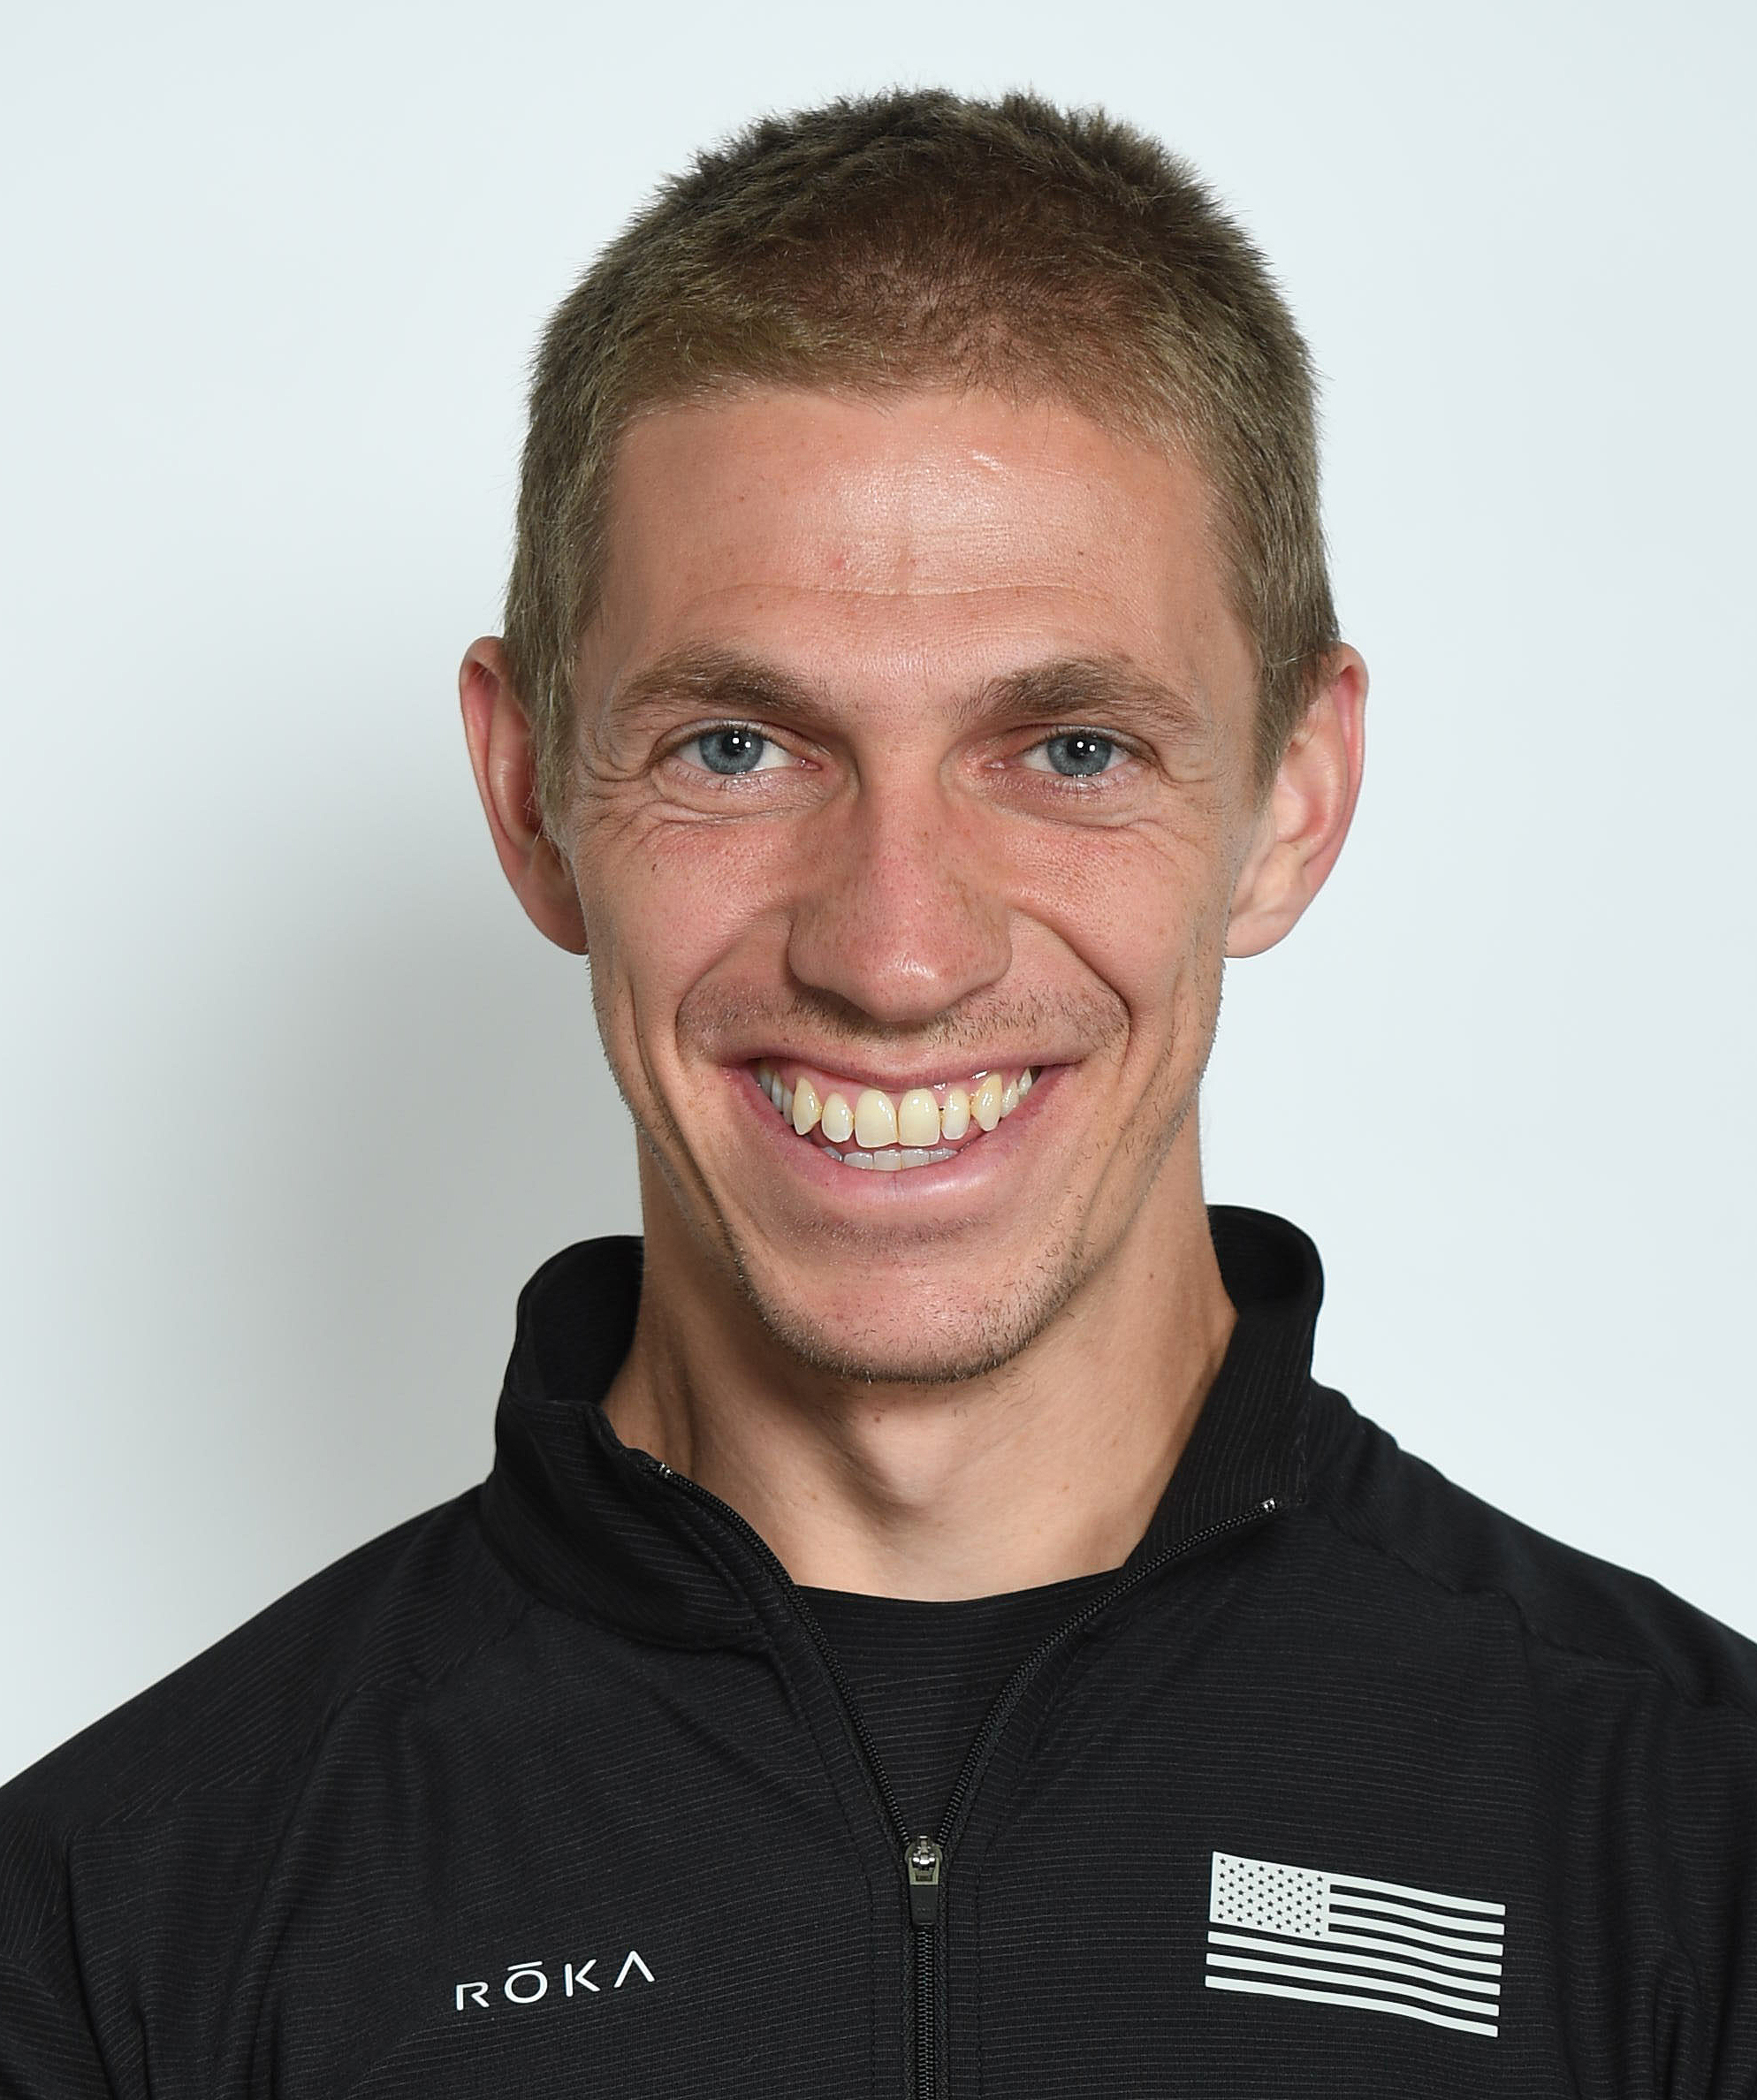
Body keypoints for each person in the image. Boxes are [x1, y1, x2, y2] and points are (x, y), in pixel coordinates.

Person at [1, 85, 1752, 2099]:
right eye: (736, 748)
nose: (897, 954)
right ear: (530, 794)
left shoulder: (1692, 1849)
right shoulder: (117, 1931)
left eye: (1072, 751)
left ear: (1292, 797)